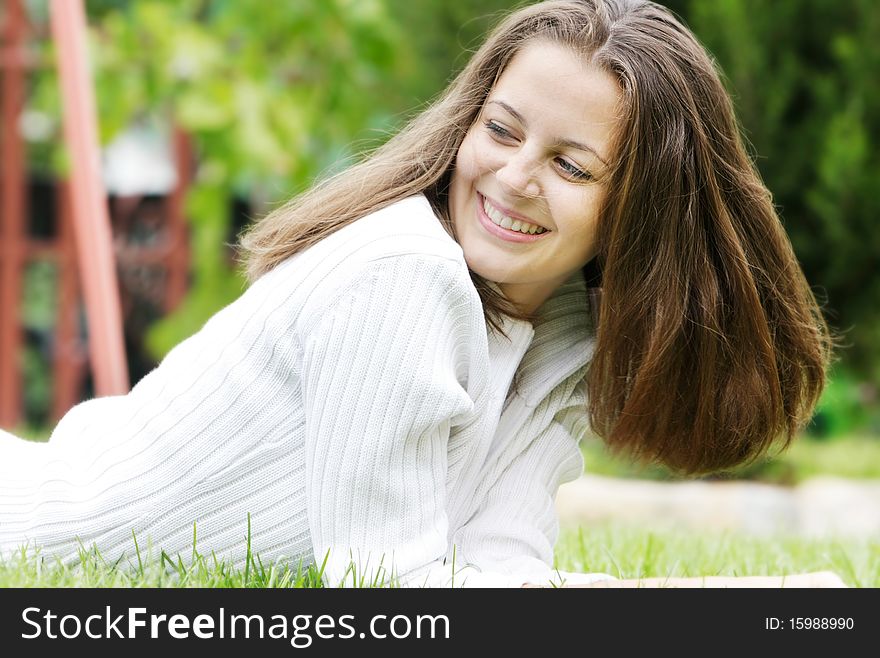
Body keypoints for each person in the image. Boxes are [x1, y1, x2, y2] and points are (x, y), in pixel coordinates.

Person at [0, 0, 841, 588]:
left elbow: (500, 579)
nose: (512, 178)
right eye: (501, 130)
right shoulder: (403, 272)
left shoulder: (561, 329)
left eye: (570, 165)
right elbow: (391, 594)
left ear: (636, 212)